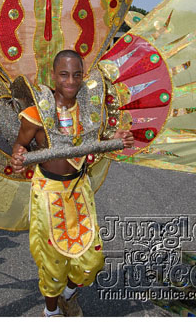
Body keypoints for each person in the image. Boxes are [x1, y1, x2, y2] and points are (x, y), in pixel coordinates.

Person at [11, 49, 134, 316]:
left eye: (77, 75)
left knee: (92, 259)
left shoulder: (90, 108)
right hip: (48, 192)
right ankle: (51, 312)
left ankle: (68, 295)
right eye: (64, 74)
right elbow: (20, 145)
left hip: (80, 188)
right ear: (54, 76)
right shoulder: (36, 113)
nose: (71, 81)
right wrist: (19, 155)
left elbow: (102, 138)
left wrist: (118, 137)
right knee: (53, 263)